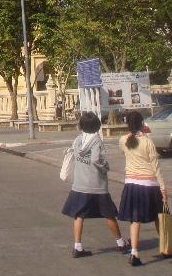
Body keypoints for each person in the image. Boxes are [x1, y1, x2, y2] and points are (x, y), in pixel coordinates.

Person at [61, 111, 128, 258]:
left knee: (79, 215)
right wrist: (105, 167)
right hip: (97, 185)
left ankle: (77, 246)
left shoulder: (78, 140)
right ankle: (121, 243)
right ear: (97, 126)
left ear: (82, 126)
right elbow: (95, 160)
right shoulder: (97, 141)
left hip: (79, 184)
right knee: (109, 215)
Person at [118, 110, 168, 266]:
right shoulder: (147, 142)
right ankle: (165, 248)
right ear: (141, 124)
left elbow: (124, 153)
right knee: (159, 216)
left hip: (131, 184)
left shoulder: (123, 140)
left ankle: (134, 252)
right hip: (149, 185)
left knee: (135, 219)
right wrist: (163, 189)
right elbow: (156, 167)